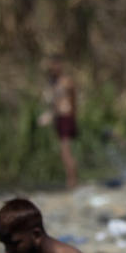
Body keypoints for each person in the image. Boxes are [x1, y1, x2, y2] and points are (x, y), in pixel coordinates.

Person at [43, 57, 78, 189]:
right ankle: (70, 180)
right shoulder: (53, 82)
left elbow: (73, 100)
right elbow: (54, 102)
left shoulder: (66, 81)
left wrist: (72, 115)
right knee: (64, 152)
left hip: (66, 116)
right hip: (59, 117)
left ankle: (72, 181)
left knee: (66, 151)